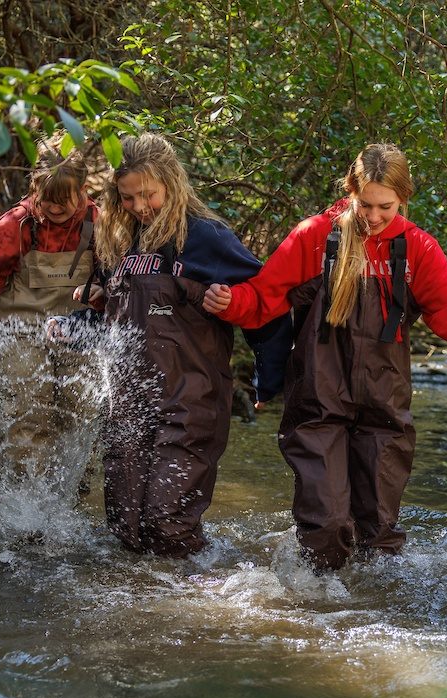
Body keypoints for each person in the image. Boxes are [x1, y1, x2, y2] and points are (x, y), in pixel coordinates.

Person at [204, 143, 447, 572]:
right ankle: (321, 603)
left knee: (378, 532)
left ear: (403, 199)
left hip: (384, 401)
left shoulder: (418, 247)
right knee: (325, 522)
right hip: (318, 396)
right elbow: (265, 296)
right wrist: (229, 302)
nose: (374, 217)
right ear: (351, 191)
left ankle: (376, 604)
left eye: (386, 207)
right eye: (366, 205)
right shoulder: (314, 235)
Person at [80, 132, 290, 557]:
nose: (139, 207)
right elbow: (112, 315)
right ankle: (142, 612)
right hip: (128, 405)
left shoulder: (205, 237)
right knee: (125, 526)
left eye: (148, 195)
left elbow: (268, 303)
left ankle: (208, 602)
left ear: (172, 184)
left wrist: (269, 380)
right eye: (127, 198)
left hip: (190, 404)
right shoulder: (119, 242)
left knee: (166, 522)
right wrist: (79, 320)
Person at [0, 136, 100, 507]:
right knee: (31, 409)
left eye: (65, 199)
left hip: (78, 328)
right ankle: (29, 499)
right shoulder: (17, 223)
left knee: (81, 406)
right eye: (48, 198)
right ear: (34, 187)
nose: (55, 207)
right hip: (19, 328)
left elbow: (116, 275)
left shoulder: (99, 222)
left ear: (83, 191)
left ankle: (71, 494)